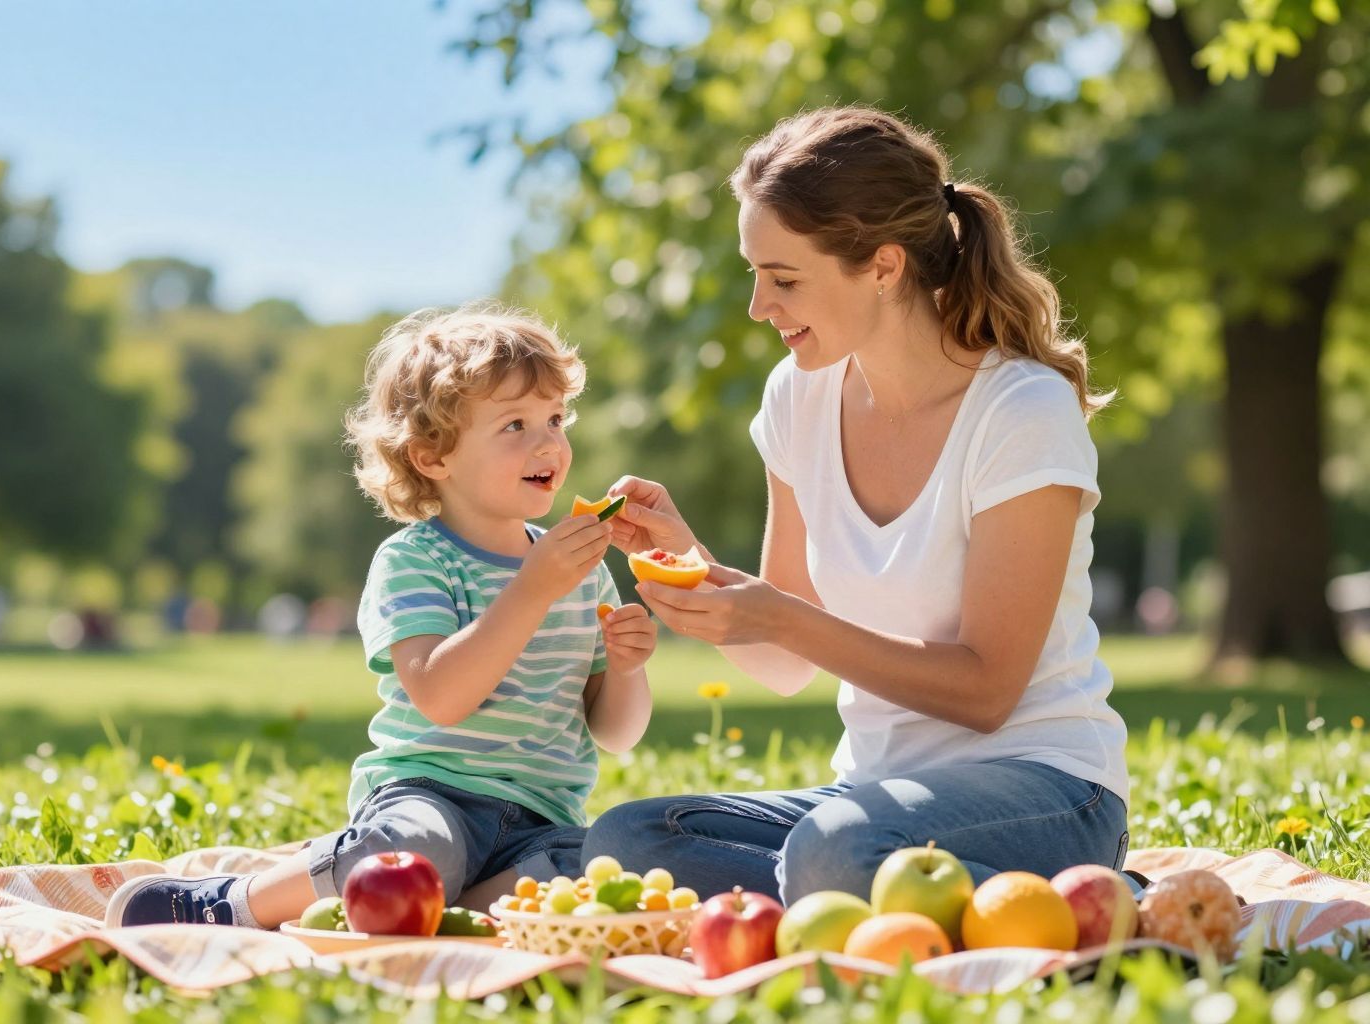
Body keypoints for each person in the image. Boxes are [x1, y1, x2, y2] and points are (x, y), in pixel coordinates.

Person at [582, 106, 1130, 906]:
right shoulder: (798, 396)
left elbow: (987, 693)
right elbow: (783, 660)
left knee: (837, 852)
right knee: (630, 842)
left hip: (1047, 790)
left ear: (882, 265)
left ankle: (1082, 902)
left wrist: (780, 618)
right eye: (755, 273)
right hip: (874, 802)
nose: (759, 306)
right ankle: (892, 900)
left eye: (785, 278)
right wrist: (695, 574)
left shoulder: (1021, 412)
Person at [105, 305, 657, 928]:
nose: (549, 442)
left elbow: (614, 732)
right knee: (413, 850)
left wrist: (629, 671)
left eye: (556, 419)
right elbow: (441, 697)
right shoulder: (416, 560)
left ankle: (432, 910)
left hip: (543, 819)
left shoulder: (581, 572)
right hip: (430, 797)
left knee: (600, 865)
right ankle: (231, 903)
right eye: (515, 425)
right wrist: (531, 591)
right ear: (432, 457)